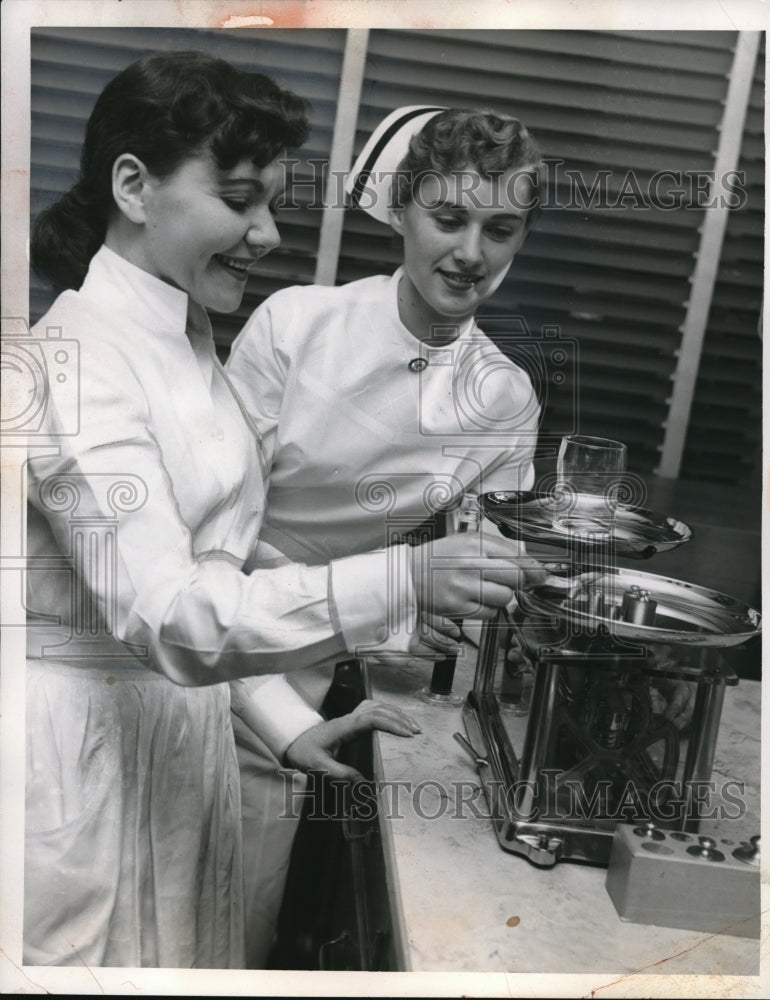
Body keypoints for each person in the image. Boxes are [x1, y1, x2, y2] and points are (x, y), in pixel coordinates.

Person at [23, 60, 534, 970]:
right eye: (238, 200)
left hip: (182, 730)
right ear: (132, 185)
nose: (267, 232)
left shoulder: (181, 339)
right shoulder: (69, 361)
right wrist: (406, 579)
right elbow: (167, 614)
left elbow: (202, 587)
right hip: (74, 763)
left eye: (501, 228)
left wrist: (283, 723)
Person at [226, 105, 545, 966]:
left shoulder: (504, 397)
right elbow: (202, 534)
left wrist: (421, 617)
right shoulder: (297, 324)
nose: (471, 253)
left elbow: (484, 570)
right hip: (202, 636)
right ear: (401, 209)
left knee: (237, 938)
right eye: (447, 219)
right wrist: (392, 601)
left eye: (499, 228)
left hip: (315, 680)